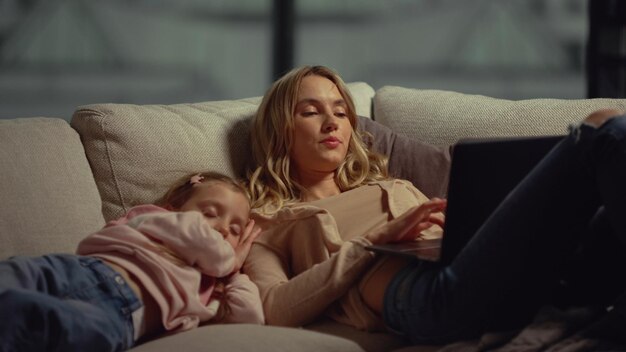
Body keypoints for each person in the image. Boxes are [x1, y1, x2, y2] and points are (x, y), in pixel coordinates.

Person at [243, 65, 626, 345]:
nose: (333, 122)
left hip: (490, 274)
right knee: (604, 130)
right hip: (427, 297)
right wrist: (373, 240)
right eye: (311, 112)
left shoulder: (389, 183)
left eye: (341, 112)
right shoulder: (271, 220)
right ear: (279, 130)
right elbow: (275, 307)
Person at [0, 171, 264, 352]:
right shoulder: (155, 219)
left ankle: (17, 313)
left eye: (236, 229)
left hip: (122, 316)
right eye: (209, 213)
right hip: (82, 271)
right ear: (173, 208)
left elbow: (250, 317)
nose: (222, 229)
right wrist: (229, 259)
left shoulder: (215, 281)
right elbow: (196, 235)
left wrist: (234, 275)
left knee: (59, 327)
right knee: (18, 272)